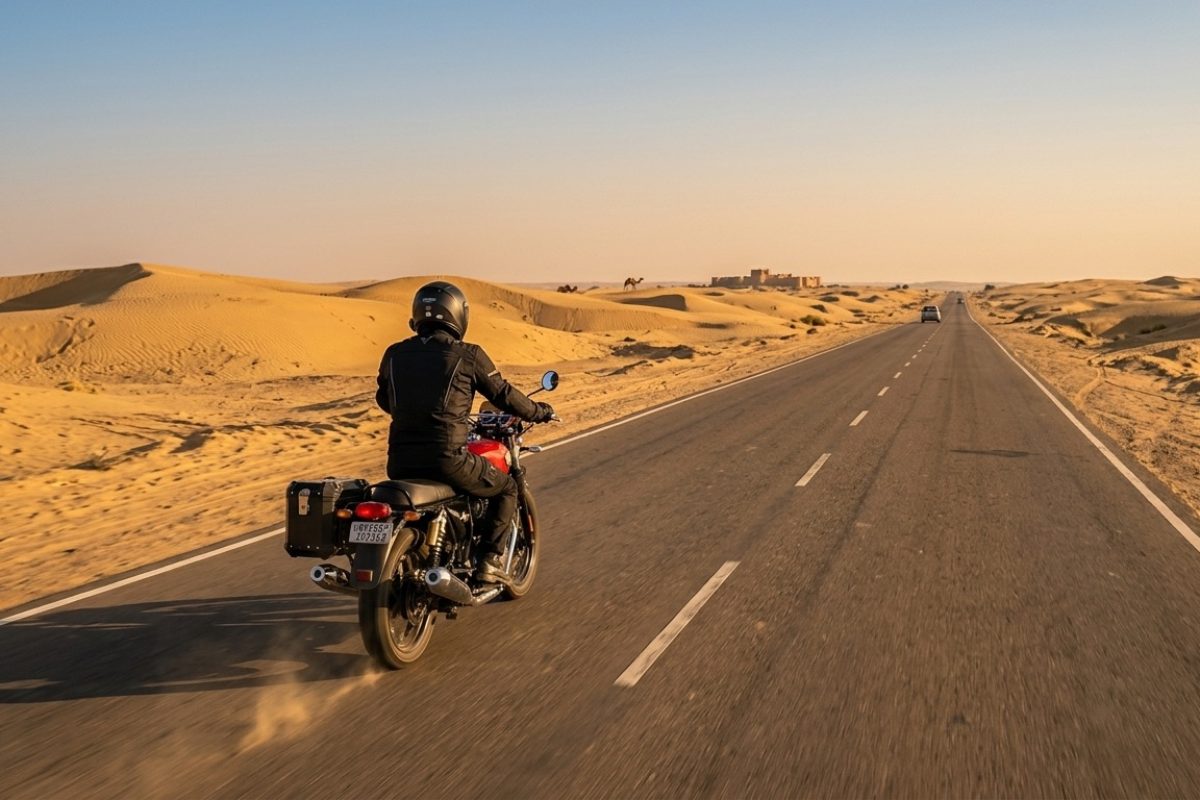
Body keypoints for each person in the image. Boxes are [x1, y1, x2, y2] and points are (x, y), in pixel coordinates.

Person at [375, 281, 555, 581]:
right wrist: (539, 411)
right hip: (448, 460)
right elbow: (504, 395)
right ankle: (490, 562)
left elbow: (385, 399)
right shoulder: (468, 355)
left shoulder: (394, 354)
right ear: (459, 316)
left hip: (399, 463)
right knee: (507, 488)